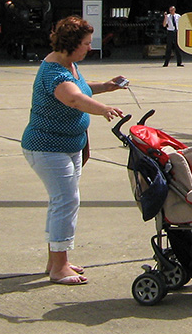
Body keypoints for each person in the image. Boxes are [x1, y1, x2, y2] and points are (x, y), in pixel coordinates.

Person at [22, 16, 127, 285]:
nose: (90, 47)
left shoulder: (69, 65)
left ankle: (56, 260)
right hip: (48, 147)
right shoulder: (54, 72)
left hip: (69, 146)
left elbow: (82, 88)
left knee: (61, 201)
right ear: (71, 44)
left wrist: (107, 87)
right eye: (86, 43)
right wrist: (103, 109)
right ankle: (59, 267)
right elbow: (74, 98)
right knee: (67, 201)